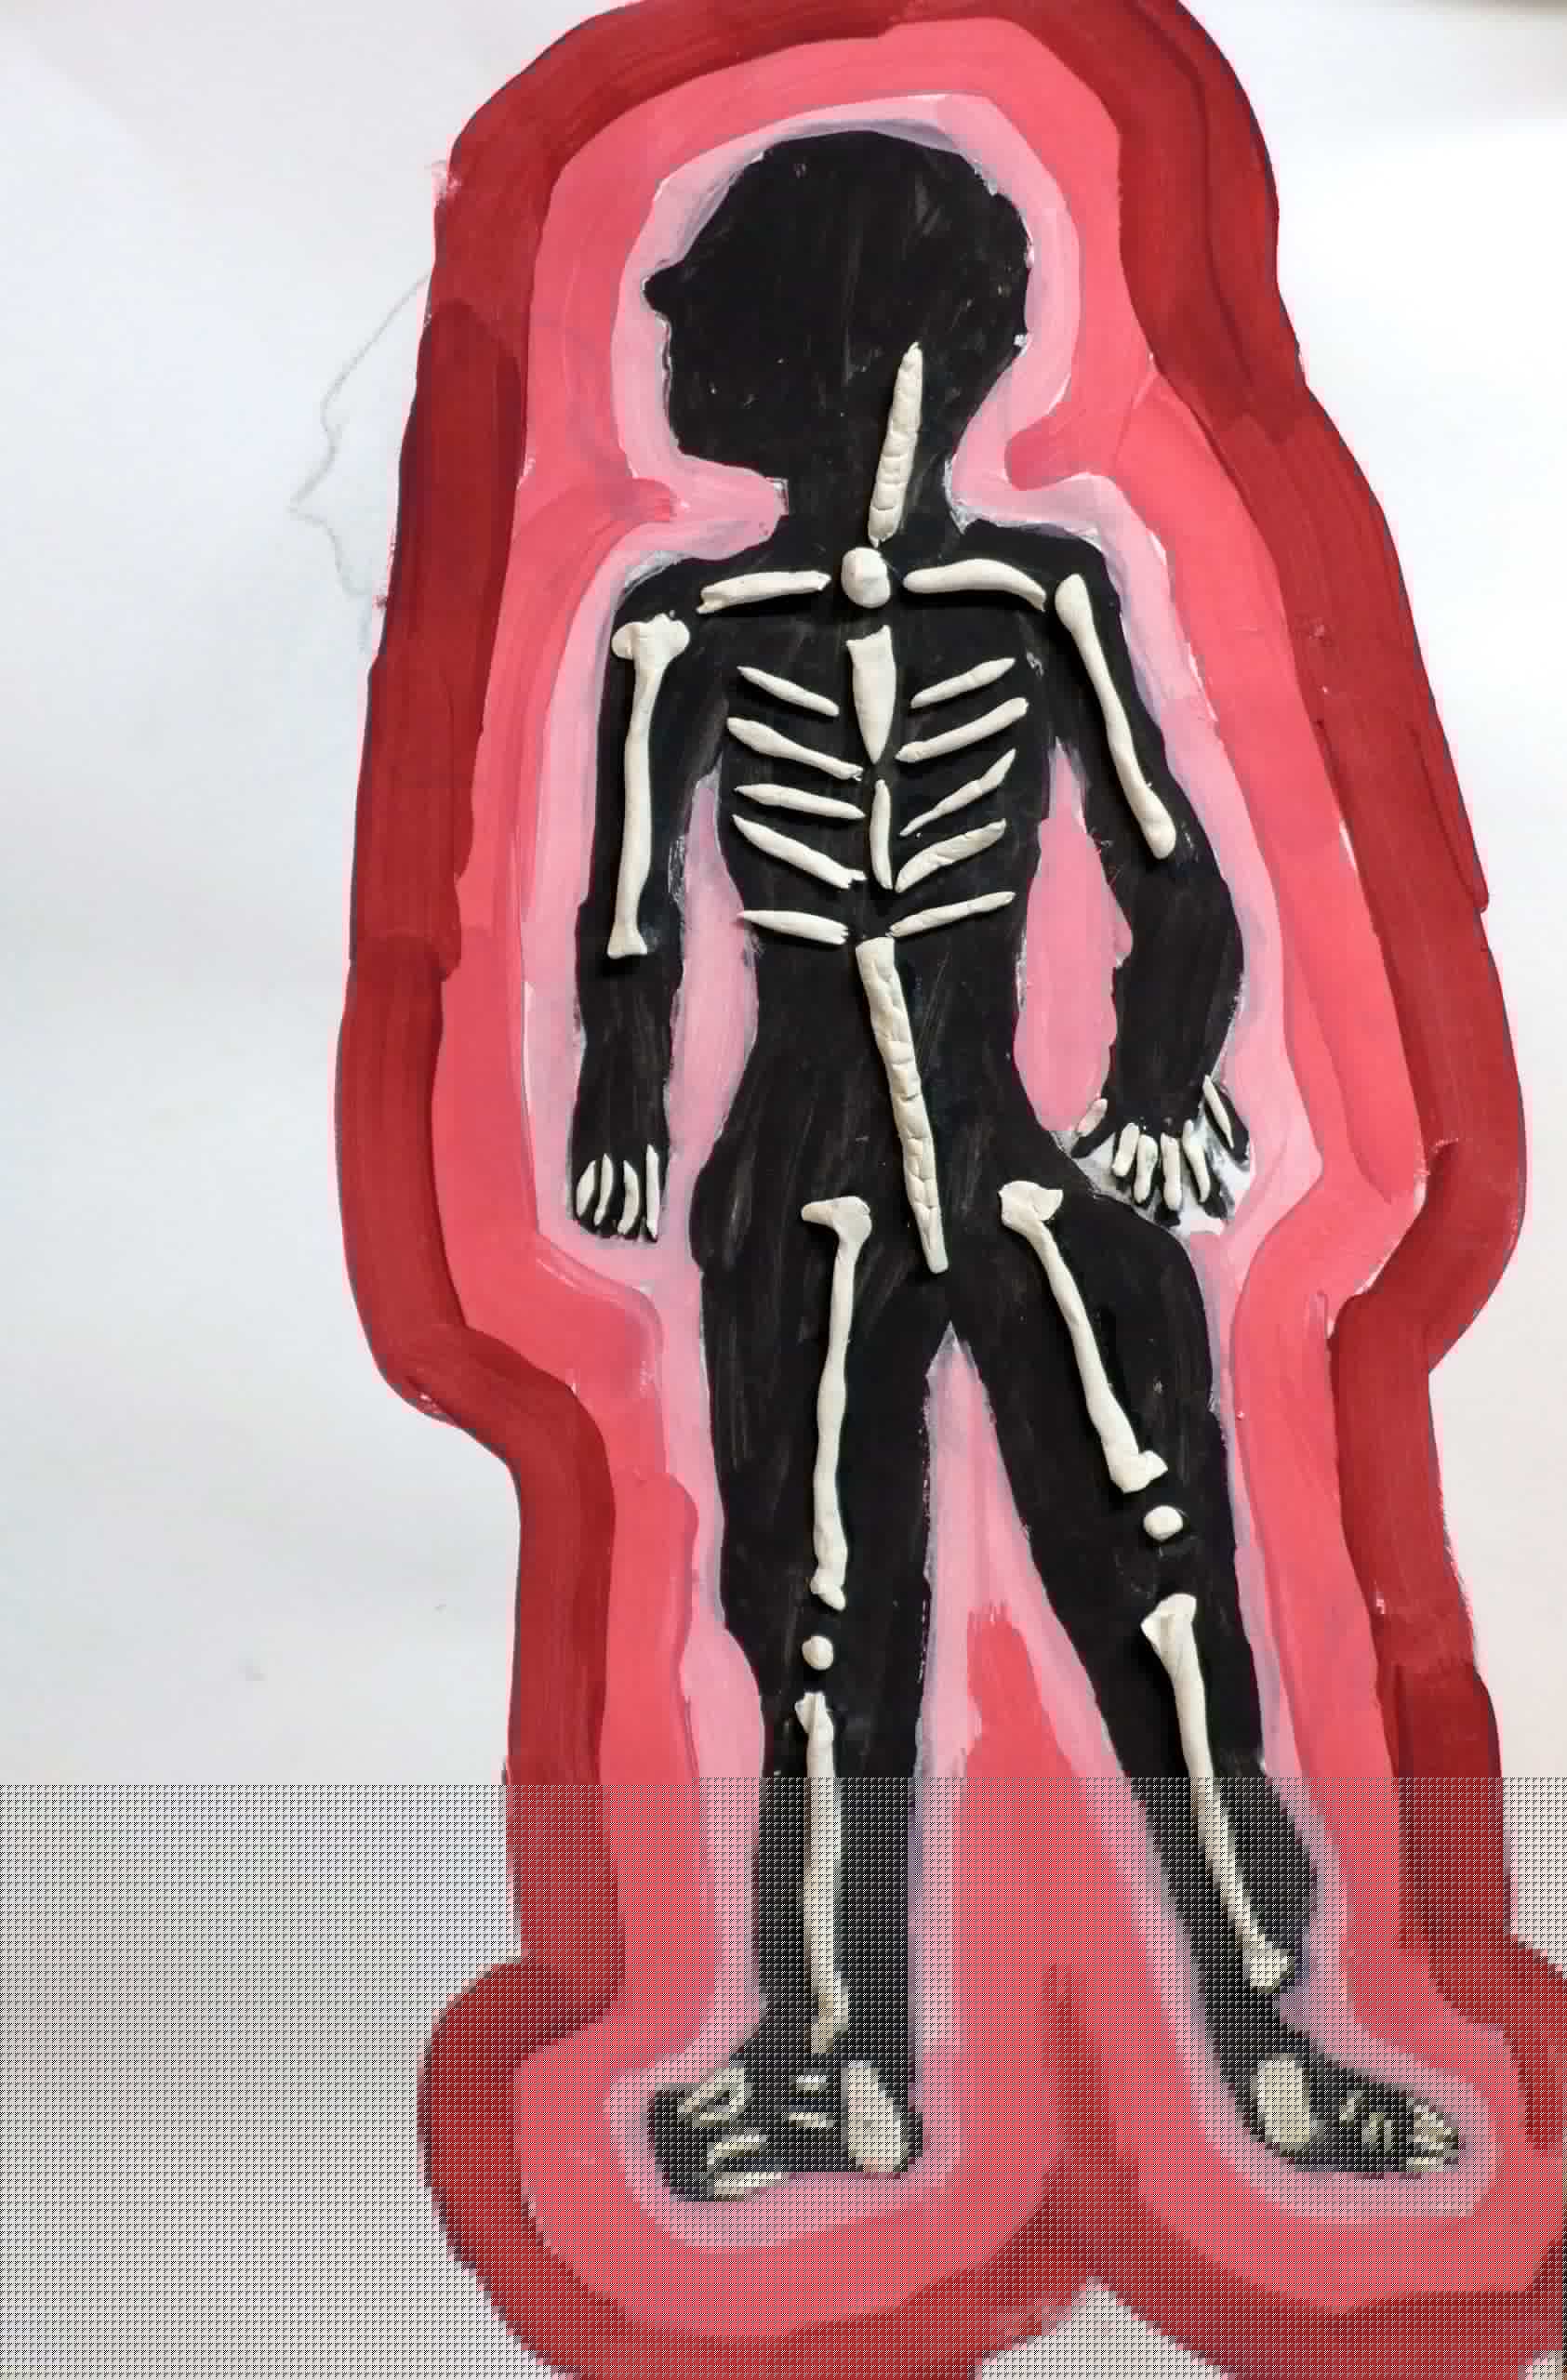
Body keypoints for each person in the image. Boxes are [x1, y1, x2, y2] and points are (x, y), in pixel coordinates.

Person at [570, 128, 1460, 2202]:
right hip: (799, 1172)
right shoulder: (681, 630)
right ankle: (827, 2055)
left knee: (1157, 1585)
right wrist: (618, 1102)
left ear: (849, 344)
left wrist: (1157, 1076)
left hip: (1006, 1152)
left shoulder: (1033, 593)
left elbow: (1170, 868)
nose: (683, 346)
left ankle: (1274, 2035)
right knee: (810, 1621)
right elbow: (626, 915)